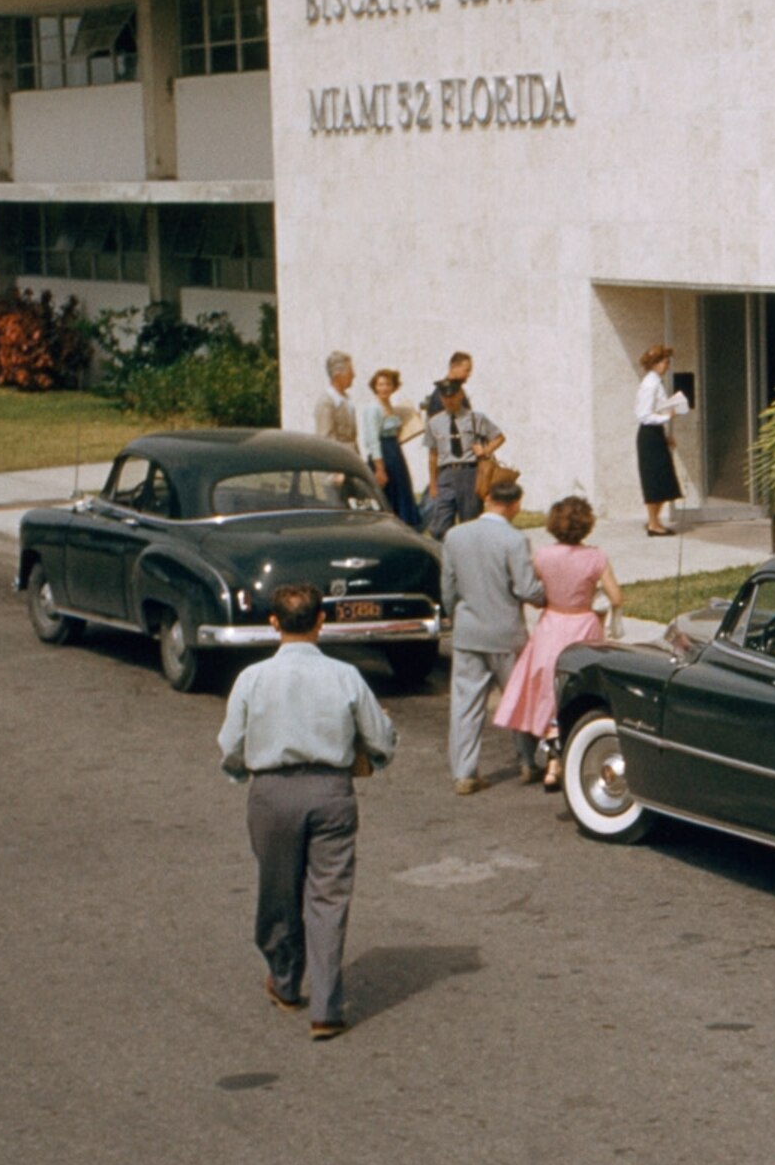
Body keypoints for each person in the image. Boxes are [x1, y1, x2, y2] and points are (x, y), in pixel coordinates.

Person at [217, 583, 398, 1039]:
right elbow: (381, 737)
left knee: (278, 892)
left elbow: (230, 746)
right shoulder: (346, 675)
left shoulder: (252, 679)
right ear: (322, 621)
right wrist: (372, 760)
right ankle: (327, 1006)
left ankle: (284, 981)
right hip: (331, 793)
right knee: (328, 898)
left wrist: (243, 775)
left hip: (272, 793)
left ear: (273, 623)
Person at [495, 494, 625, 789]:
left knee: (546, 695)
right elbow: (616, 597)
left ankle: (552, 760)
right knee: (574, 693)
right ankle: (563, 756)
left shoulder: (543, 556)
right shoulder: (596, 557)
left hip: (552, 626)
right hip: (583, 625)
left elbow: (529, 589)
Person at [441, 474, 544, 793]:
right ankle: (528, 760)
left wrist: (453, 613)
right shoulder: (515, 540)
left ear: (487, 500)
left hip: (469, 629)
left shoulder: (455, 535)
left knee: (465, 703)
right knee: (518, 699)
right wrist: (544, 595)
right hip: (506, 631)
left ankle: (464, 772)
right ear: (515, 505)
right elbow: (527, 589)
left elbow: (448, 586)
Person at [419, 380, 503, 539]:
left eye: (452, 396)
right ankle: (449, 554)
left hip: (470, 473)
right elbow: (433, 455)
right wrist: (433, 483)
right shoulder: (434, 422)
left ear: (460, 395)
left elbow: (498, 437)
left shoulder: (476, 418)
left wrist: (485, 451)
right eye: (444, 397)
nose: (448, 400)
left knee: (470, 523)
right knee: (439, 527)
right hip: (446, 474)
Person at [634, 344, 691, 536]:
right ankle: (653, 523)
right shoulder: (650, 385)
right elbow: (644, 415)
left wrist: (665, 435)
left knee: (664, 479)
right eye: (665, 362)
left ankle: (655, 521)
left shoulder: (656, 382)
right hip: (649, 435)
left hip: (656, 433)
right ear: (656, 364)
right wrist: (668, 417)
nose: (667, 366)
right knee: (654, 479)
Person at [357, 365, 422, 528]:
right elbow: (372, 440)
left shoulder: (391, 407)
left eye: (387, 384)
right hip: (383, 455)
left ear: (393, 386)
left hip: (395, 453)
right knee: (387, 496)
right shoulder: (373, 409)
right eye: (380, 384)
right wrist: (380, 469)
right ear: (374, 387)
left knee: (401, 492)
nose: (384, 388)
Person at [311, 351, 358, 447]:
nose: (353, 375)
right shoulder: (326, 403)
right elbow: (326, 441)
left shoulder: (346, 400)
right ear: (337, 375)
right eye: (350, 372)